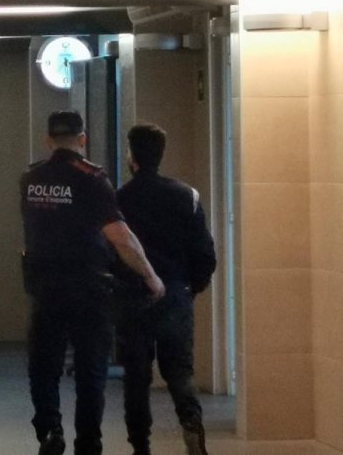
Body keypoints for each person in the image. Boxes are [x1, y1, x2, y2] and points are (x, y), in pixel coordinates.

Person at [20, 111, 164, 455]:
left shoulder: (30, 179)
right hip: (88, 285)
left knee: (44, 365)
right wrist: (149, 275)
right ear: (82, 139)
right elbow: (120, 236)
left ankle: (50, 431)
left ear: (48, 139)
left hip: (44, 284)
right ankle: (88, 443)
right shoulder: (92, 178)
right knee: (90, 371)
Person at [114, 124, 217, 455]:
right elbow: (205, 255)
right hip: (175, 294)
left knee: (136, 377)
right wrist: (189, 288)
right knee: (180, 374)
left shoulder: (118, 201)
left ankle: (141, 445)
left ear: (131, 156)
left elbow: (112, 253)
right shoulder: (186, 197)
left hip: (133, 297)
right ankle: (192, 432)